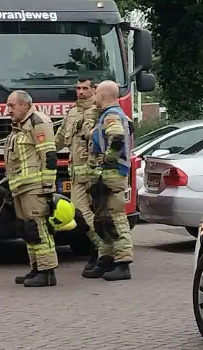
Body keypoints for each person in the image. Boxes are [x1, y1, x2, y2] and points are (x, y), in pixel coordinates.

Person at [3, 90, 59, 288]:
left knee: (38, 227)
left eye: (12, 106)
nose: (7, 111)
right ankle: (36, 267)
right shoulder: (19, 126)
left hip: (34, 187)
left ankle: (47, 271)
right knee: (27, 230)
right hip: (21, 186)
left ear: (25, 105)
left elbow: (49, 156)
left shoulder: (38, 122)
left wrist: (47, 186)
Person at [55, 77, 105, 276]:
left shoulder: (99, 111)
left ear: (94, 90)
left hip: (95, 175)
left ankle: (104, 252)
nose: (81, 92)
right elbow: (59, 137)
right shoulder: (72, 113)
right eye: (78, 88)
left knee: (99, 215)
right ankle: (101, 249)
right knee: (81, 213)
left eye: (85, 88)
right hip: (76, 175)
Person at [87, 80, 134, 281]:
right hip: (106, 174)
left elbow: (116, 138)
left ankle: (123, 264)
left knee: (115, 218)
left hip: (111, 174)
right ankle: (105, 260)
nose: (93, 96)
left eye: (96, 93)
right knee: (103, 219)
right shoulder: (107, 115)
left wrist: (107, 158)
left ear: (104, 96)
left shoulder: (111, 116)